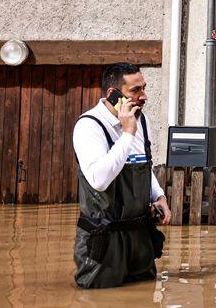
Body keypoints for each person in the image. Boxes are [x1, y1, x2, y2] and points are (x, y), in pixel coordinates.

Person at [72, 62, 171, 289]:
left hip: (140, 236)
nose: (144, 96)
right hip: (104, 239)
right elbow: (98, 179)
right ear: (113, 94)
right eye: (135, 91)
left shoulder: (141, 119)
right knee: (99, 301)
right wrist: (127, 134)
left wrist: (159, 196)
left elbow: (143, 165)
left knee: (144, 297)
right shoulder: (89, 126)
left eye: (143, 88)